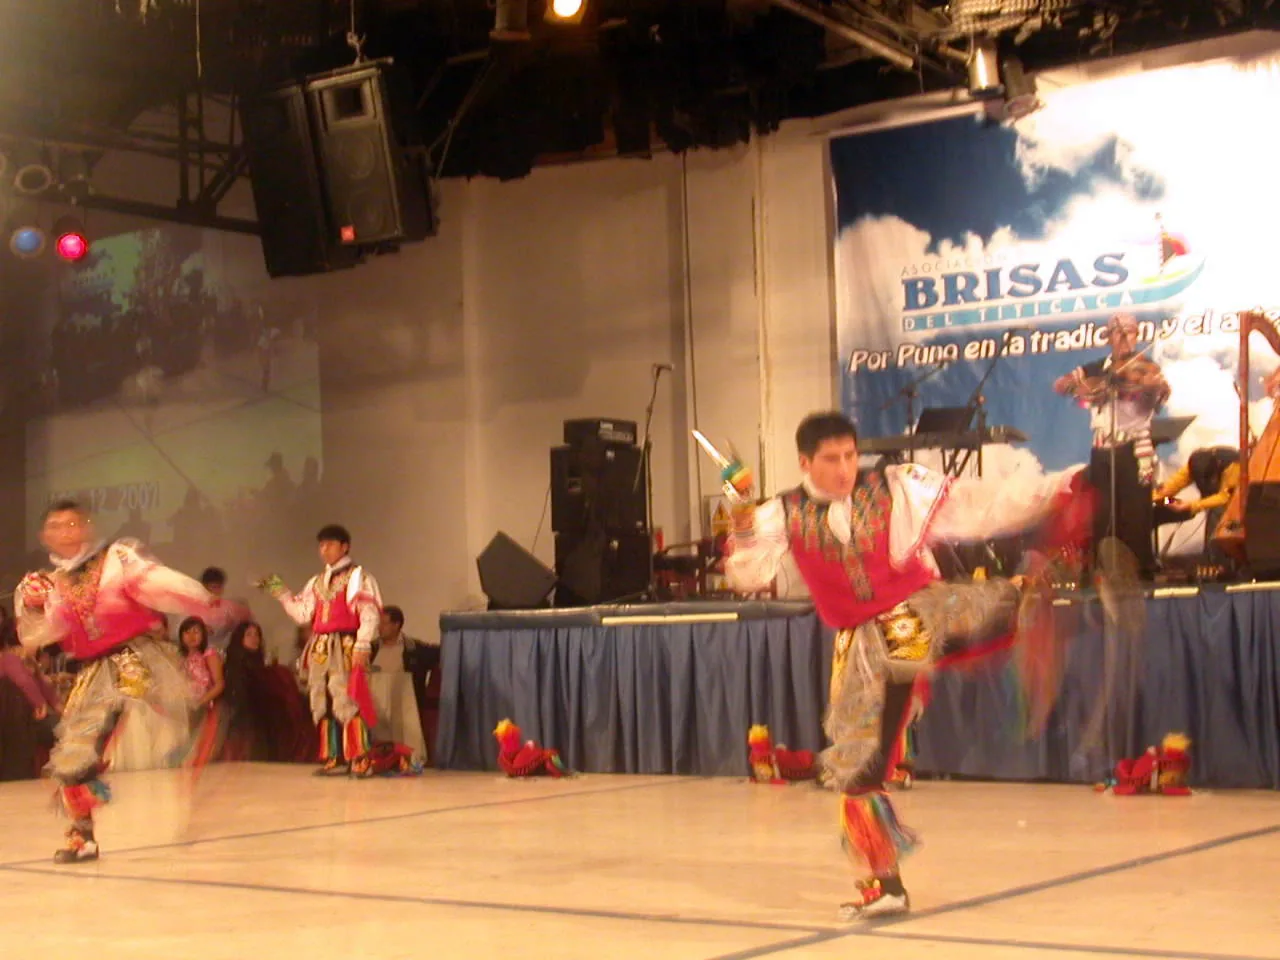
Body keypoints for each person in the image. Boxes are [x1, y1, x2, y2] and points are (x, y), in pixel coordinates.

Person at [725, 412, 1084, 920]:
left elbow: (975, 505)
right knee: (860, 773)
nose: (845, 468)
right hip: (865, 649)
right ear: (806, 462)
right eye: (831, 459)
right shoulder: (782, 513)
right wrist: (742, 527)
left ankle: (1022, 596)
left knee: (941, 622)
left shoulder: (894, 487)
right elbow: (747, 575)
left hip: (912, 615)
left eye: (850, 455)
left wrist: (1056, 488)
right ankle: (887, 884)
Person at [13, 499, 244, 864]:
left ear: (87, 527)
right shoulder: (50, 583)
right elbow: (44, 633)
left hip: (136, 656)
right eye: (56, 526)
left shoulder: (117, 559)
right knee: (75, 751)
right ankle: (81, 836)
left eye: (73, 524)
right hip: (92, 670)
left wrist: (204, 602)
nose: (66, 532)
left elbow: (159, 583)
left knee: (156, 717)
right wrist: (33, 606)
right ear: (45, 537)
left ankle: (196, 733)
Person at [260, 524, 382, 776]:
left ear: (344, 546)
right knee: (321, 699)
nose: (324, 550)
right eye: (321, 545)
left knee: (347, 697)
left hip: (346, 643)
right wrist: (281, 592)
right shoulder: (316, 582)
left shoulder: (358, 576)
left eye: (330, 544)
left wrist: (362, 643)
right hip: (321, 647)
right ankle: (333, 755)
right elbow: (303, 614)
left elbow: (369, 613)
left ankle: (359, 755)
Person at [1054, 313, 1170, 579]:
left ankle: (1141, 572)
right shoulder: (1097, 368)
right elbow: (1060, 385)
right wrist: (1083, 388)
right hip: (1102, 450)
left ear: (1137, 334)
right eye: (1118, 332)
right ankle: (1105, 572)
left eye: (1129, 332)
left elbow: (1157, 394)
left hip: (1132, 449)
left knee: (1136, 515)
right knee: (1103, 514)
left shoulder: (1146, 368)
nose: (1125, 337)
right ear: (1109, 337)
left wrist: (1152, 387)